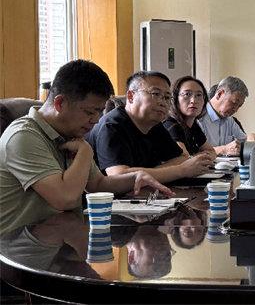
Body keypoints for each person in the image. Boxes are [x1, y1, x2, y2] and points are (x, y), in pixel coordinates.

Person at [0, 60, 173, 234]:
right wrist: (85, 152)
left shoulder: (69, 133)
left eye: (99, 111)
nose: (96, 120)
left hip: (60, 236)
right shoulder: (24, 136)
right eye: (90, 112)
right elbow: (65, 199)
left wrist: (136, 177)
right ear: (60, 103)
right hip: (18, 246)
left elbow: (97, 184)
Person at [85, 71, 214, 184]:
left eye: (167, 97)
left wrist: (152, 173)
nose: (163, 103)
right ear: (131, 96)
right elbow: (119, 174)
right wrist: (180, 171)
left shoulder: (154, 125)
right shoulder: (113, 126)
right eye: (155, 94)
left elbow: (181, 158)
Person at [199, 77, 255, 157]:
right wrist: (224, 150)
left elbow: (243, 141)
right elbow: (193, 153)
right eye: (234, 103)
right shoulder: (198, 117)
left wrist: (250, 138)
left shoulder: (230, 120)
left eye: (239, 106)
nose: (236, 110)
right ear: (219, 94)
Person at [164, 76, 216, 158]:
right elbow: (184, 158)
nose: (193, 101)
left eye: (198, 95)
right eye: (187, 94)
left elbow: (212, 151)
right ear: (174, 99)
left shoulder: (193, 125)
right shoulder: (171, 125)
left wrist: (194, 157)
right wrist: (200, 156)